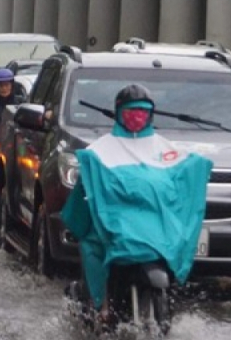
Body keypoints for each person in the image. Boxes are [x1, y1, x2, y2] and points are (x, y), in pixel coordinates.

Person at [61, 84, 213, 316]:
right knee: (91, 246)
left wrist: (201, 166)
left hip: (155, 231)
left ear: (151, 113)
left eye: (142, 111)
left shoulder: (164, 149)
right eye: (131, 111)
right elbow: (86, 189)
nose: (137, 116)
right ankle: (99, 304)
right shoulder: (99, 151)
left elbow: (184, 173)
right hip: (115, 226)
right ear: (119, 113)